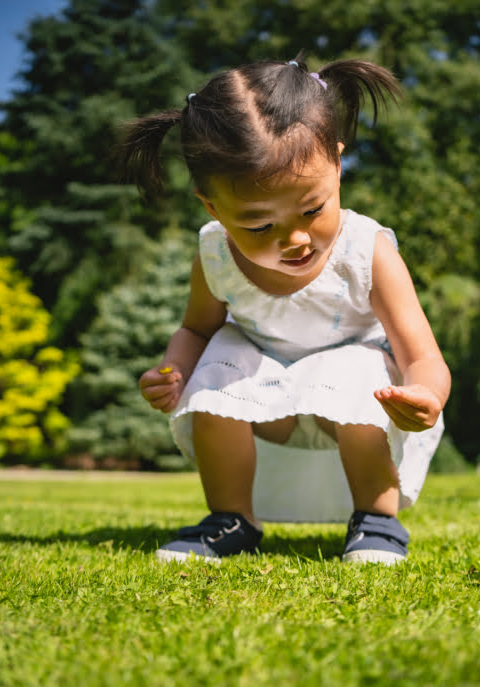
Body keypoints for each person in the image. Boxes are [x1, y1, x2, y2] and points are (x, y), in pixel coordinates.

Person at [121, 53, 451, 565]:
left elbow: (422, 353)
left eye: (312, 209)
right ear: (213, 207)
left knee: (359, 364)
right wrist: (175, 369)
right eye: (257, 225)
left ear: (338, 165)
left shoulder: (365, 250)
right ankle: (231, 519)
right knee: (222, 356)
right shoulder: (215, 253)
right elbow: (195, 328)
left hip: (358, 408)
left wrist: (426, 394)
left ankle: (378, 522)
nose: (294, 239)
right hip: (264, 406)